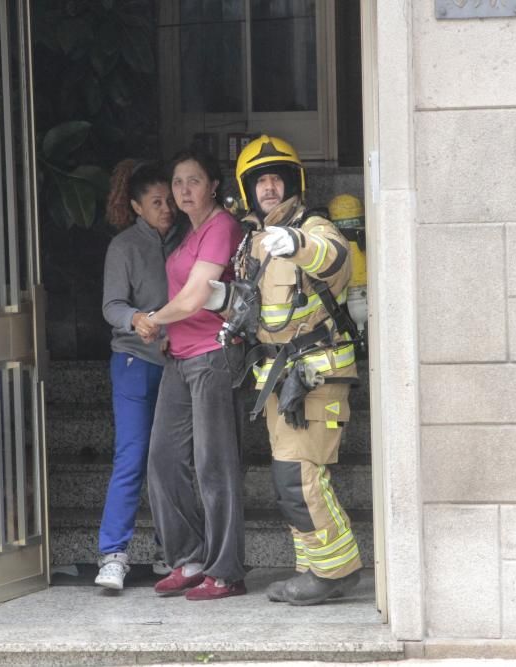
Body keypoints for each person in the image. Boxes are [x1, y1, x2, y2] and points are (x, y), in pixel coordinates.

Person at [206, 135, 362, 606]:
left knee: (298, 477)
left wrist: (297, 242)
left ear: (293, 182)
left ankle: (334, 572)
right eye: (260, 181)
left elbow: (334, 258)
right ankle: (310, 567)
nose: (269, 188)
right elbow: (263, 308)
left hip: (315, 374)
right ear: (248, 190)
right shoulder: (254, 242)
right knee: (295, 477)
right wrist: (226, 302)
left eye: (276, 178)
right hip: (279, 379)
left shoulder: (314, 228)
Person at [138, 147, 247, 601]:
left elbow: (197, 296)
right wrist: (165, 330)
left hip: (214, 356)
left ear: (214, 185)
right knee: (163, 461)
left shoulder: (221, 226)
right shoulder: (188, 232)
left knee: (213, 465)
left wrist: (153, 318)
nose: (183, 189)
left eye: (194, 181)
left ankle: (225, 571)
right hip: (181, 357)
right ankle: (190, 559)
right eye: (178, 182)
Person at [96, 159, 185, 590]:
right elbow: (111, 305)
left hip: (181, 360)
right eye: (156, 202)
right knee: (132, 457)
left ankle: (172, 550)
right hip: (134, 362)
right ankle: (114, 554)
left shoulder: (189, 238)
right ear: (136, 207)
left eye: (169, 200)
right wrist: (136, 319)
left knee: (172, 461)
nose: (166, 208)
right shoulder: (124, 247)